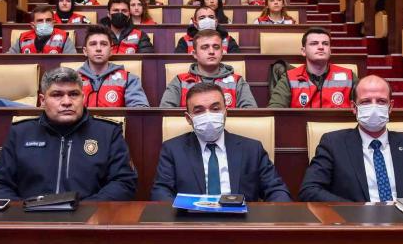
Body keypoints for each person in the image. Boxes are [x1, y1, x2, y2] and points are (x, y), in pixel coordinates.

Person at [299, 75, 403, 202]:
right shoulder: (333, 144)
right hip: (356, 226)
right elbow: (309, 190)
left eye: (381, 101)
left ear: (391, 107)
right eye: (366, 102)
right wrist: (355, 211)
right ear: (354, 107)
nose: (374, 107)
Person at [0, 67, 137, 201]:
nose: (66, 102)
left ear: (83, 98)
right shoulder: (20, 133)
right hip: (30, 219)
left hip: (90, 220)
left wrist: (87, 210)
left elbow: (123, 183)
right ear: (42, 100)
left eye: (74, 94)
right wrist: (24, 211)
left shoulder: (108, 133)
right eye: (57, 95)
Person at [152, 82, 290, 201]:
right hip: (192, 220)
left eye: (215, 109)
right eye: (199, 111)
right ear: (188, 118)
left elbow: (276, 190)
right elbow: (160, 192)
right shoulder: (173, 149)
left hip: (241, 220)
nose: (208, 116)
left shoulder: (252, 149)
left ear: (225, 112)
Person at [162, 30, 256, 108]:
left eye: (216, 47)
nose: (211, 51)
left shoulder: (237, 81)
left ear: (222, 52)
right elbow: (167, 114)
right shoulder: (179, 81)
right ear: (194, 54)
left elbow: (250, 115)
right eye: (205, 47)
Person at [268, 27, 357, 108]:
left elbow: (363, 107)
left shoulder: (349, 76)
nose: (321, 47)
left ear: (330, 51)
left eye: (325, 44)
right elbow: (275, 111)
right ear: (303, 51)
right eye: (314, 43)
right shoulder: (289, 78)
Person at [75, 25, 149, 107]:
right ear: (85, 51)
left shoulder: (129, 79)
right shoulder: (72, 79)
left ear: (111, 51)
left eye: (103, 44)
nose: (98, 48)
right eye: (93, 44)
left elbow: (140, 110)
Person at [9, 5, 75, 53]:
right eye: (40, 21)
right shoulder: (23, 38)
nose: (44, 23)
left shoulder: (63, 37)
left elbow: (71, 62)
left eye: (48, 20)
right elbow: (9, 60)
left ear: (53, 23)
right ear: (33, 25)